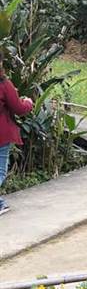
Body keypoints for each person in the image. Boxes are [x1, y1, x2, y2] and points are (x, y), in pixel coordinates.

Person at [0, 59, 34, 216]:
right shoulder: (4, 84)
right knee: (0, 171)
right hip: (1, 134)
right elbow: (18, 108)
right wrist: (28, 102)